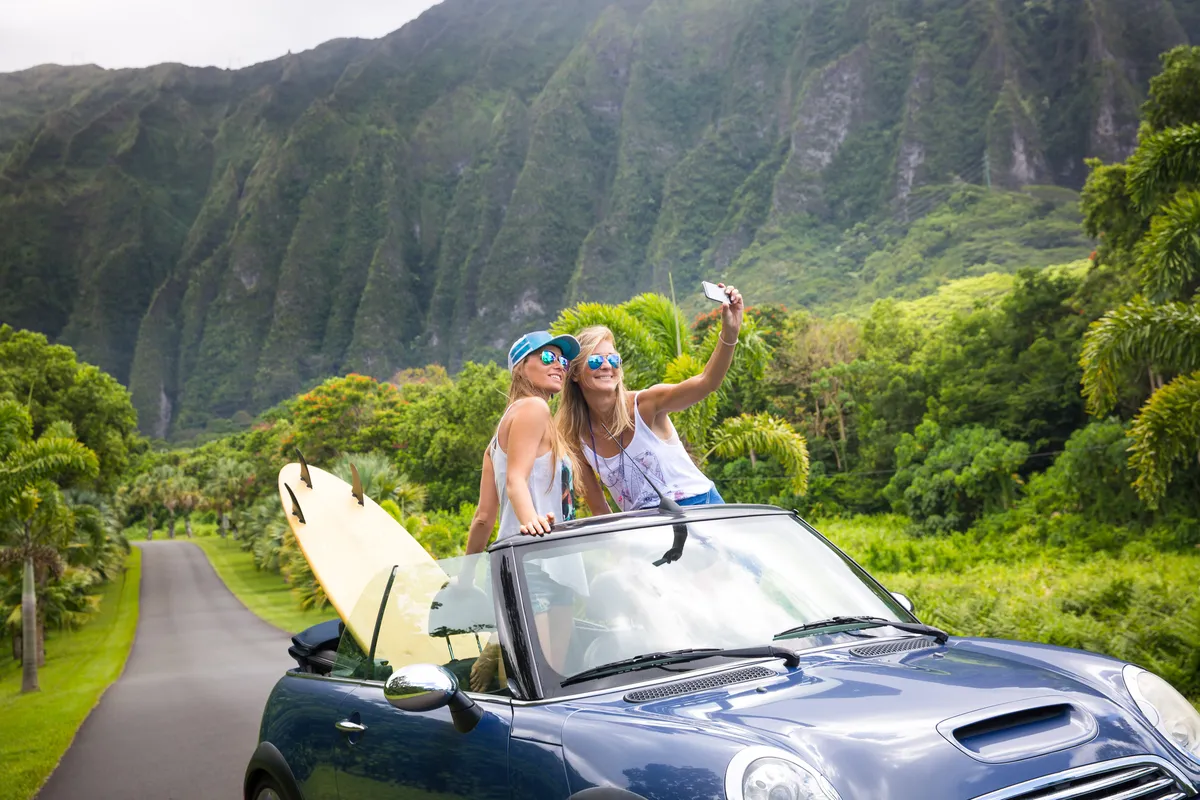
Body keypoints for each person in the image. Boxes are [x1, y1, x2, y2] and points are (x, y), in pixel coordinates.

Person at [462, 330, 586, 679]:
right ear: (521, 368)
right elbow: (517, 479)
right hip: (534, 561)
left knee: (547, 680)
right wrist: (532, 524)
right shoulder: (534, 407)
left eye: (562, 360)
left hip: (542, 563)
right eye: (547, 358)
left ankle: (499, 650)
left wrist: (465, 578)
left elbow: (484, 518)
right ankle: (498, 655)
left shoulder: (498, 436)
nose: (559, 366)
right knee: (542, 681)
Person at [558, 283, 744, 513]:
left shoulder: (645, 404)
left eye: (613, 359)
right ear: (575, 373)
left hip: (698, 506)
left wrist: (730, 332)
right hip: (645, 526)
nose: (606, 366)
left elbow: (707, 382)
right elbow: (599, 508)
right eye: (595, 361)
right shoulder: (577, 436)